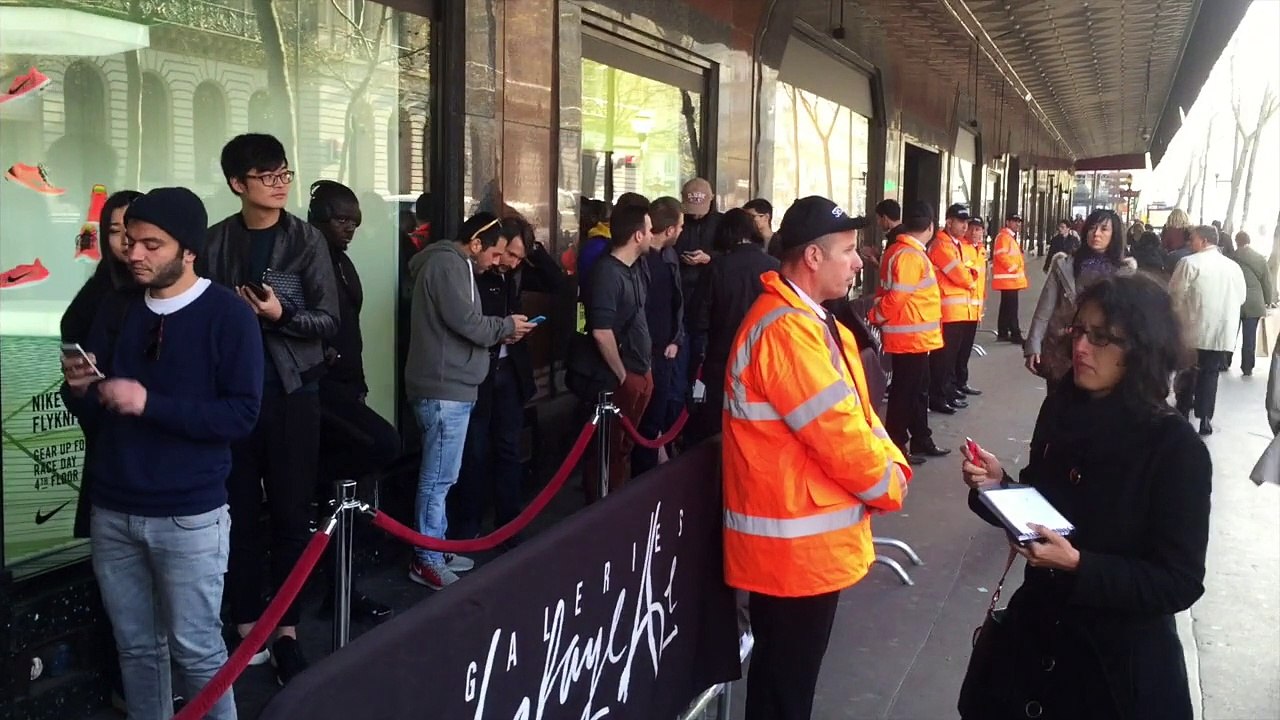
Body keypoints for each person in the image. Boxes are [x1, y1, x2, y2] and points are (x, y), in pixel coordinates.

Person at [959, 274, 1210, 720]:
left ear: (1142, 349)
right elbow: (1044, 507)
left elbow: (1179, 580)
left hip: (1113, 674)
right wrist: (998, 487)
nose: (1081, 347)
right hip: (1033, 648)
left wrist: (1080, 566)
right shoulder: (1061, 407)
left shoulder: (1175, 448)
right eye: (1079, 331)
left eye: (1101, 338)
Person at [62, 187, 264, 720]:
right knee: (135, 649)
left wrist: (149, 403)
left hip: (189, 514)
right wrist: (79, 389)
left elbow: (241, 415)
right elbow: (93, 408)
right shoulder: (116, 307)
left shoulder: (228, 315)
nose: (134, 253)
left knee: (197, 651)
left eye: (152, 244)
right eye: (131, 241)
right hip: (112, 507)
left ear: (189, 250)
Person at [722, 195, 909, 720]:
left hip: (801, 547)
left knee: (786, 684)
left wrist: (890, 465)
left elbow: (855, 416)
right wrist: (889, 481)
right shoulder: (787, 330)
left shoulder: (806, 320)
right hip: (793, 553)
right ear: (812, 257)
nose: (858, 262)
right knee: (785, 691)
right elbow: (839, 433)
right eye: (848, 251)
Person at [202, 133, 340, 683]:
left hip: (291, 393)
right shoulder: (214, 242)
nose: (281, 184)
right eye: (268, 176)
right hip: (231, 397)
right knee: (236, 515)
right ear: (238, 184)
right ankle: (245, 624)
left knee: (289, 513)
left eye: (285, 173)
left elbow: (329, 321)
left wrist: (282, 315)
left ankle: (286, 630)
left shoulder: (306, 240)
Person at [404, 212, 536, 587]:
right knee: (438, 480)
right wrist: (506, 326)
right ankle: (427, 557)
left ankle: (437, 546)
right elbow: (467, 322)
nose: (497, 263)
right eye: (495, 254)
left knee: (443, 477)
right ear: (476, 244)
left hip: (451, 386)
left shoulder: (452, 264)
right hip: (445, 388)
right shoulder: (449, 265)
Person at [307, 180, 400, 622]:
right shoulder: (304, 259)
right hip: (317, 389)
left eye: (355, 222)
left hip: (345, 385)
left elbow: (351, 331)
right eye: (342, 220)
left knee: (349, 495)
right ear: (320, 218)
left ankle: (342, 591)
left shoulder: (342, 262)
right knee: (383, 444)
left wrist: (359, 382)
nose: (350, 229)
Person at [452, 215, 562, 541]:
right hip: (478, 372)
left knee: (509, 448)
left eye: (518, 257)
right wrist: (502, 330)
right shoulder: (476, 270)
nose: (511, 262)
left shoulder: (515, 272)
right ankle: (468, 529)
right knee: (474, 451)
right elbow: (468, 323)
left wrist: (533, 248)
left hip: (510, 370)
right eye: (508, 254)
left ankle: (508, 524)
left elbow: (557, 283)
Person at [61, 189, 144, 539]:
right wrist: (82, 389)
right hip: (111, 446)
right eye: (114, 230)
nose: (126, 240)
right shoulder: (94, 298)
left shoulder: (177, 293)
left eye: (133, 228)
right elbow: (74, 390)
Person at [689, 206, 779, 443]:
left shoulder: (716, 268)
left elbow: (698, 318)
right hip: (766, 359)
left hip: (722, 359)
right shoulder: (774, 266)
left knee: (719, 428)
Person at [582, 204, 654, 497]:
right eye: (649, 230)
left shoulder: (635, 269)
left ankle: (618, 500)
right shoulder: (607, 273)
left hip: (640, 369)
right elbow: (601, 331)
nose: (652, 235)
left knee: (624, 448)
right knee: (610, 450)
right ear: (638, 235)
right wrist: (623, 375)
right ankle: (604, 506)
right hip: (620, 376)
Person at [870, 200, 949, 465]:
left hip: (913, 337)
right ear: (930, 227)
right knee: (904, 395)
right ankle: (896, 446)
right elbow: (897, 298)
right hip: (909, 338)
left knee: (915, 391)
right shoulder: (909, 255)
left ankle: (920, 438)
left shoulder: (901, 251)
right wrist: (876, 316)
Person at [1025, 209, 1136, 388]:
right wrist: (1033, 345)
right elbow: (1044, 308)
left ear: (1114, 234)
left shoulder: (1124, 272)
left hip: (1101, 350)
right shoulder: (1064, 264)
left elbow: (1130, 318)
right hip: (1061, 347)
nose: (1096, 233)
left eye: (1104, 229)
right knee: (1058, 399)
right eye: (1092, 228)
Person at [1170, 225, 1247, 435]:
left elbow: (1175, 295)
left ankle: (1183, 414)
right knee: (1210, 374)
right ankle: (1205, 418)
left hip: (1192, 329)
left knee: (1187, 372)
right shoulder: (1233, 267)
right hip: (1220, 331)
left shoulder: (1189, 263)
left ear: (1204, 241)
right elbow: (1241, 297)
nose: (1190, 242)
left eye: (1193, 238)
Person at [631, 197, 685, 476]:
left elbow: (675, 303)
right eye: (681, 226)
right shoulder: (638, 261)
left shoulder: (669, 257)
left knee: (655, 422)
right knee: (642, 425)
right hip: (642, 354)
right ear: (670, 229)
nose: (682, 231)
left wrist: (676, 338)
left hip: (665, 351)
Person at [927, 204, 980, 414]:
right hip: (947, 311)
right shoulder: (942, 245)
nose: (965, 226)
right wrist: (970, 275)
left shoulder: (954, 244)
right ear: (949, 222)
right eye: (961, 222)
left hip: (958, 310)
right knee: (943, 358)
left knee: (951, 357)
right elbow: (962, 275)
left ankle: (947, 392)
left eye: (966, 222)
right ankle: (938, 396)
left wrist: (969, 274)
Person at [1231, 230, 1275, 376]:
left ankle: (1225, 361)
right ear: (1249, 241)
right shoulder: (1259, 258)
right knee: (1249, 337)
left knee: (1230, 334)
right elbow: (1267, 282)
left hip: (1235, 300)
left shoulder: (1231, 257)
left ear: (1236, 241)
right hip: (1254, 302)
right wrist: (1268, 301)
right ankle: (1247, 367)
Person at [954, 217, 988, 396]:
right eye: (972, 228)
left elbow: (981, 282)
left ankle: (962, 382)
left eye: (978, 229)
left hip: (973, 310)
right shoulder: (961, 247)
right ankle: (954, 385)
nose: (975, 232)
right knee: (956, 351)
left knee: (965, 350)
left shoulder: (981, 251)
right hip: (960, 309)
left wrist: (981, 308)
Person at [992, 213, 1028, 343]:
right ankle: (1015, 334)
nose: (1017, 224)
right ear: (1007, 222)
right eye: (1014, 221)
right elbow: (1001, 255)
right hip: (1009, 279)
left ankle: (1003, 332)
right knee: (1012, 308)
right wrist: (1013, 268)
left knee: (1006, 307)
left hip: (1009, 279)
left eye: (1019, 221)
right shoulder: (1004, 237)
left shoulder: (1008, 237)